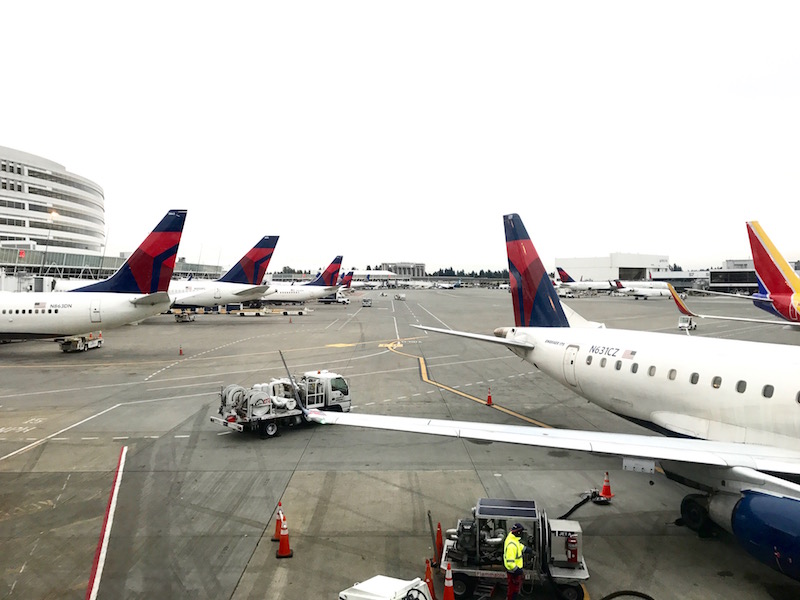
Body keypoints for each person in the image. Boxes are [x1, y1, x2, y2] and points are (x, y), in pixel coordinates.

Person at [504, 522, 530, 600]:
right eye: (521, 532)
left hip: (515, 572)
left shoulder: (512, 538)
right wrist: (518, 571)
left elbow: (518, 546)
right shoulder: (511, 545)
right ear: (518, 532)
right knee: (512, 591)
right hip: (513, 572)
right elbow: (510, 562)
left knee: (514, 589)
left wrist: (526, 549)